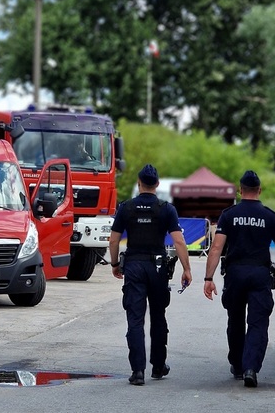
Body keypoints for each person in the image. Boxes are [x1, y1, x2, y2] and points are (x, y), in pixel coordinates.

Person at [203, 170, 275, 388]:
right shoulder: (270, 216)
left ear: (240, 190)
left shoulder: (229, 214)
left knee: (235, 319)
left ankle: (237, 365)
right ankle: (251, 367)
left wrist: (208, 278)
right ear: (259, 191)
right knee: (258, 322)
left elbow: (216, 248)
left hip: (235, 274)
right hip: (260, 275)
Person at [109, 164, 192, 386]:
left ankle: (138, 371)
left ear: (139, 183)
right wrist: (187, 268)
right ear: (156, 184)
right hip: (157, 268)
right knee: (158, 316)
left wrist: (115, 264)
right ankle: (157, 366)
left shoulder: (126, 208)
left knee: (135, 319)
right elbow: (179, 241)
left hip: (134, 266)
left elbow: (114, 240)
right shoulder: (166, 209)